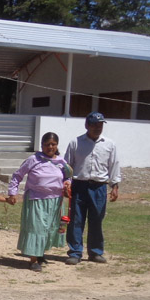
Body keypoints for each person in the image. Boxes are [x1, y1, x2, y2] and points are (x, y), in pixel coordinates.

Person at [7, 133, 72, 272]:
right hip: (36, 199)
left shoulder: (61, 162)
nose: (50, 147)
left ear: (57, 145)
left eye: (53, 144)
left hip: (55, 201)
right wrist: (13, 192)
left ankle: (41, 254)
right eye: (47, 144)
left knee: (49, 228)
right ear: (42, 145)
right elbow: (17, 175)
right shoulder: (33, 159)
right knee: (36, 229)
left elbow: (68, 176)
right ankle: (33, 260)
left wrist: (67, 183)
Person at [63, 112, 121, 265]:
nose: (97, 128)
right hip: (79, 186)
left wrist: (114, 185)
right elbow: (67, 165)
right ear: (87, 125)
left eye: (100, 125)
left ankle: (95, 252)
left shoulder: (109, 144)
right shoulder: (76, 142)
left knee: (96, 220)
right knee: (76, 220)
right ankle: (75, 252)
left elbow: (114, 165)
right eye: (94, 125)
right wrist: (66, 182)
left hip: (99, 187)